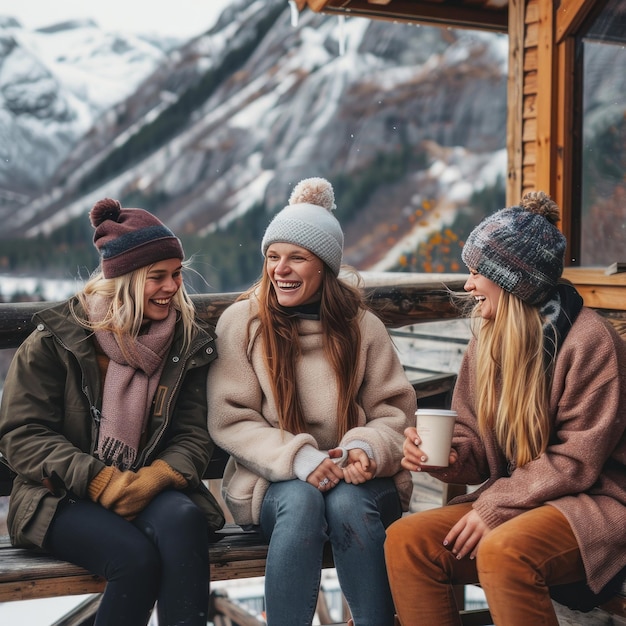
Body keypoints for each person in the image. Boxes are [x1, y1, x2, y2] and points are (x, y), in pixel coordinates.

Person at [384, 191, 626, 626]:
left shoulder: (591, 343)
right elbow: (476, 439)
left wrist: (496, 507)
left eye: (477, 273)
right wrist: (450, 457)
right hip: (526, 497)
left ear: (513, 279)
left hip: (598, 503)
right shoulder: (488, 341)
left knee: (503, 551)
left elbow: (577, 462)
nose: (467, 285)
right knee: (407, 542)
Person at [0, 198, 225, 626]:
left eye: (176, 275)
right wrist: (101, 480)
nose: (172, 287)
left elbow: (193, 436)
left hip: (146, 486)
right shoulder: (55, 342)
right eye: (156, 277)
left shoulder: (185, 344)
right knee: (135, 560)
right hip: (59, 496)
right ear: (122, 281)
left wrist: (153, 480)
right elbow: (22, 435)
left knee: (184, 521)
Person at [206, 177, 416, 626]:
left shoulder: (362, 328)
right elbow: (231, 419)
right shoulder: (243, 324)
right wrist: (297, 458)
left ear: (324, 267)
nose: (280, 269)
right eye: (272, 257)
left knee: (344, 501)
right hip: (275, 482)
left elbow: (394, 414)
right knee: (302, 500)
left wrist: (365, 451)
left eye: (296, 258)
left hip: (361, 484)